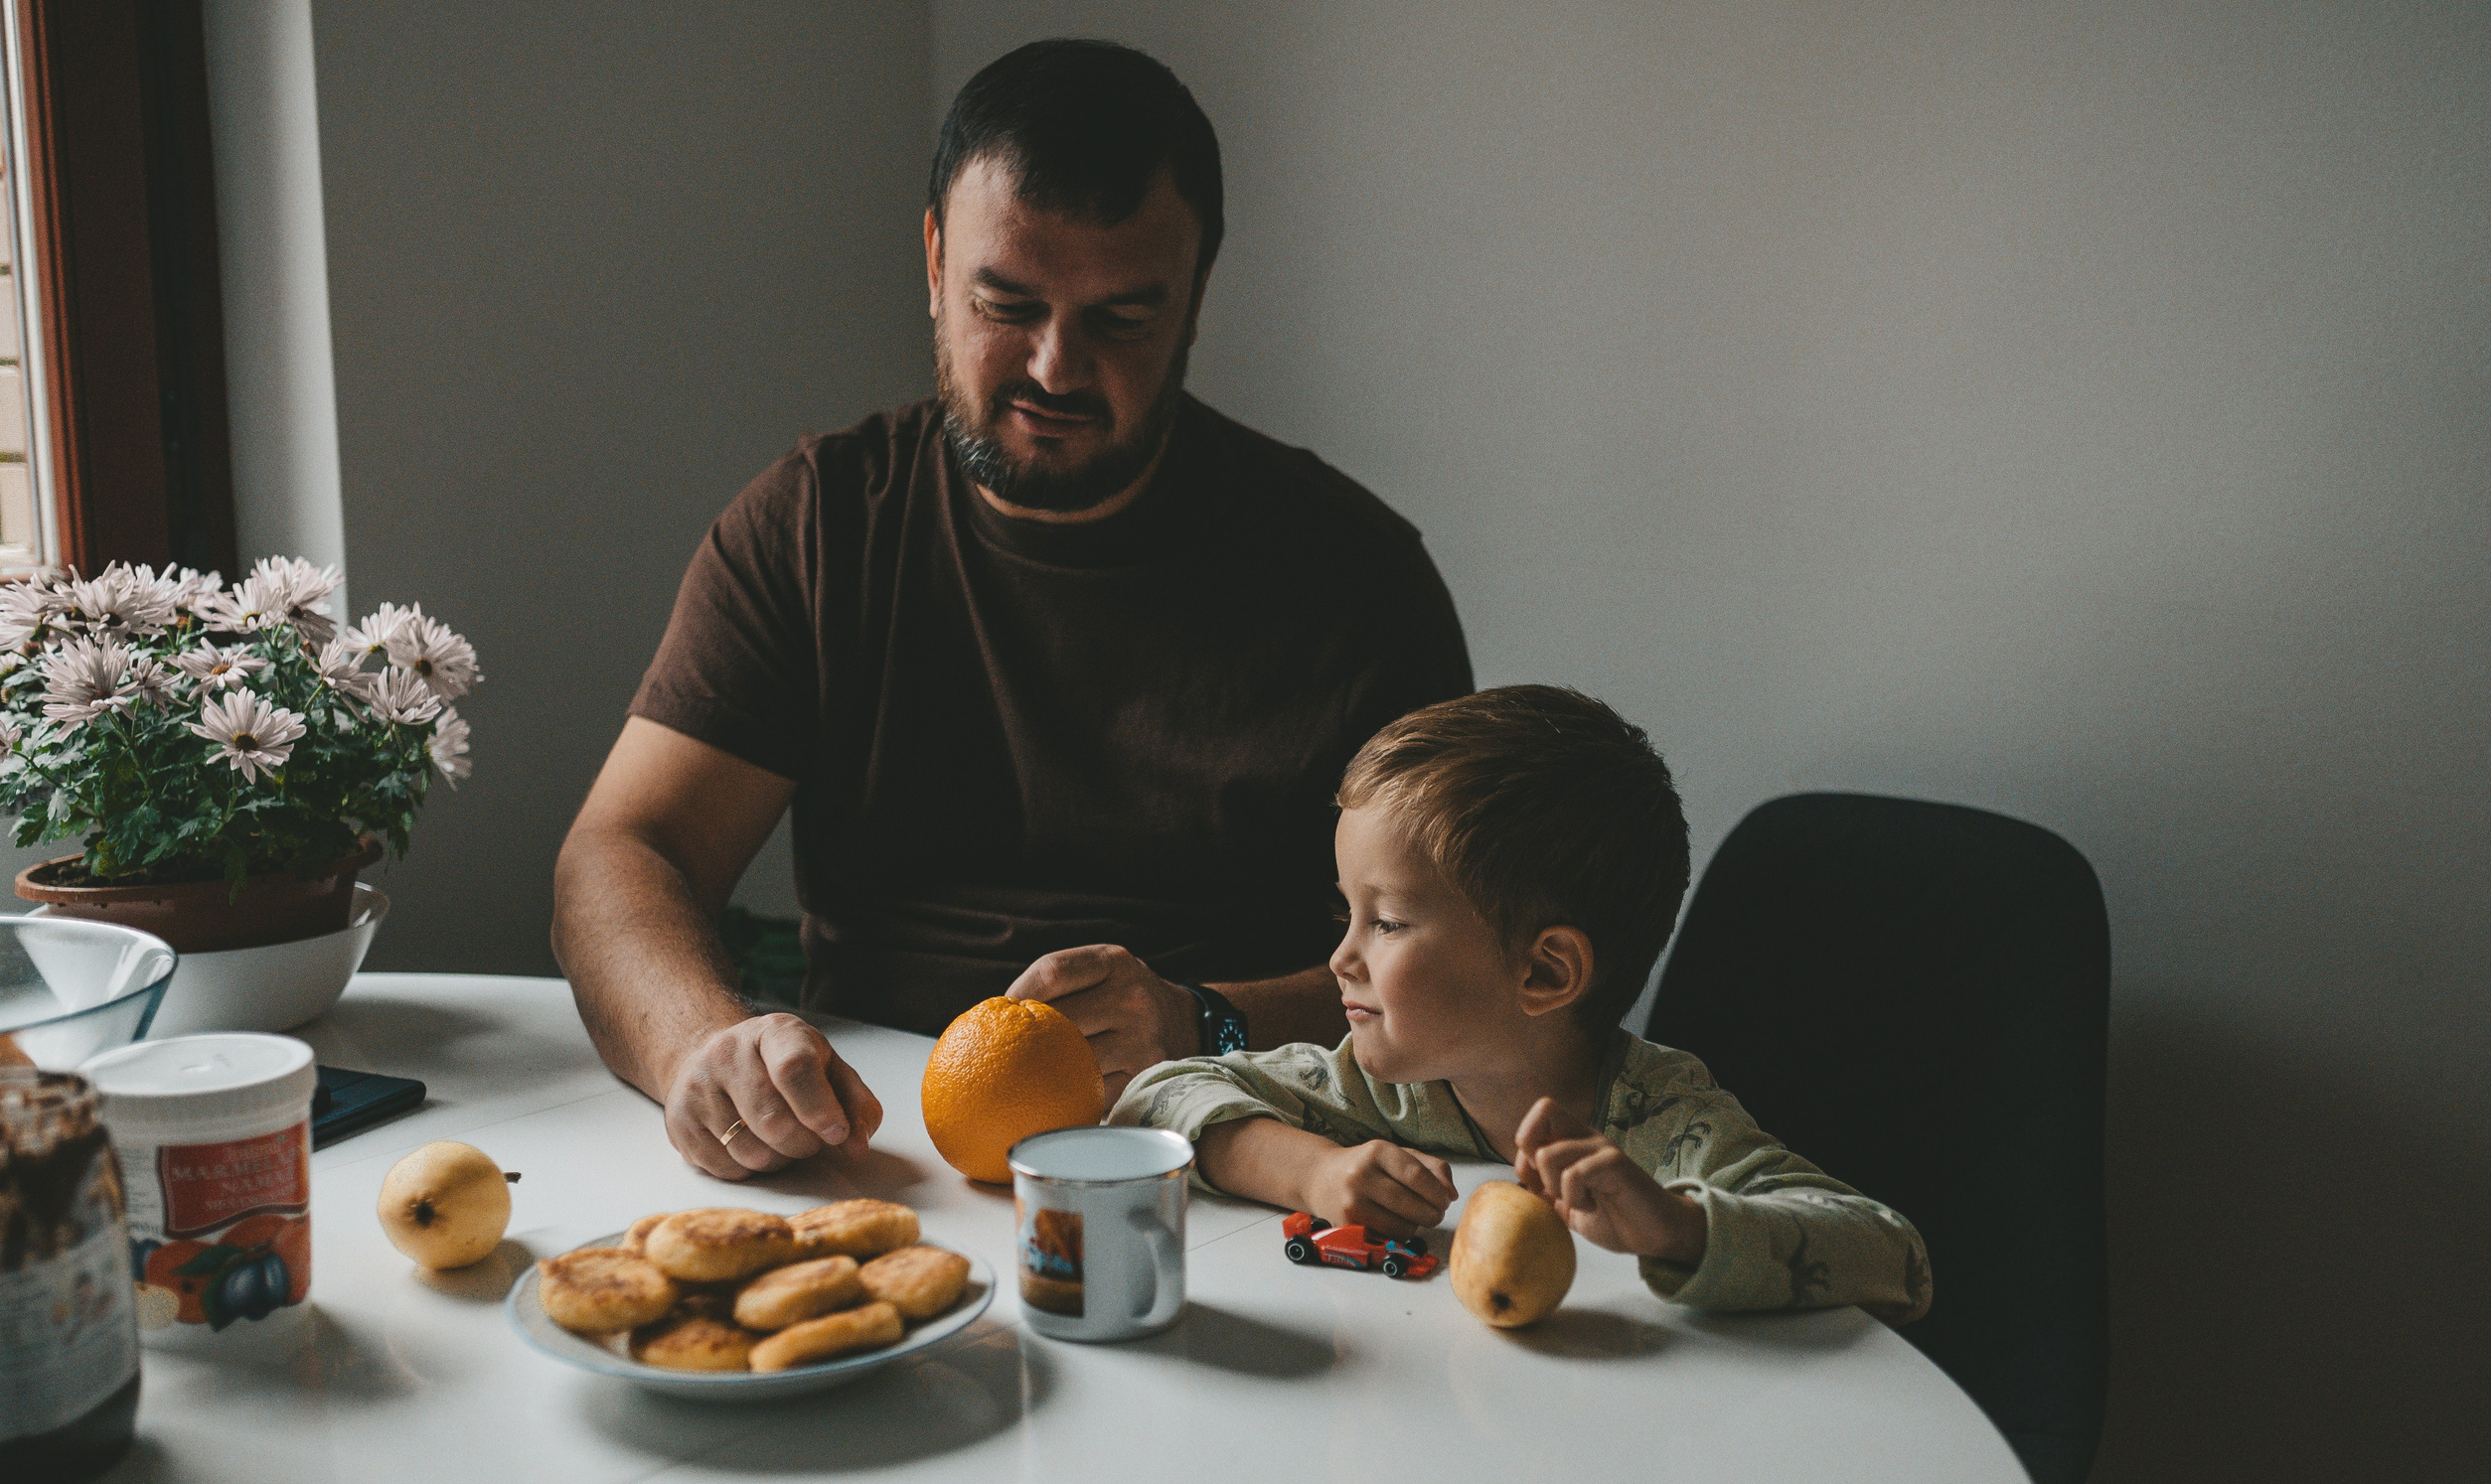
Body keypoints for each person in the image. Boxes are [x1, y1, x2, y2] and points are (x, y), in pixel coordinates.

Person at [552, 40, 1471, 1181]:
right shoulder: (818, 523)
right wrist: (702, 1046)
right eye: (1008, 303)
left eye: (1122, 319)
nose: (1054, 366)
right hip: (871, 1144)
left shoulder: (1355, 579)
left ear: (1198, 291)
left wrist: (1205, 1019)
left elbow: (1465, 957)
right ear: (935, 261)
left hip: (1245, 1151)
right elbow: (622, 850)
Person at [1110, 686, 1932, 1323]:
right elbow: (1157, 1096)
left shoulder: (1663, 1122)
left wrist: (1678, 1228)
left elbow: (1895, 1259)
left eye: (1387, 921)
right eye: (1346, 914)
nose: (1340, 958)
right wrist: (1315, 1170)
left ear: (1545, 972)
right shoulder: (1370, 1088)